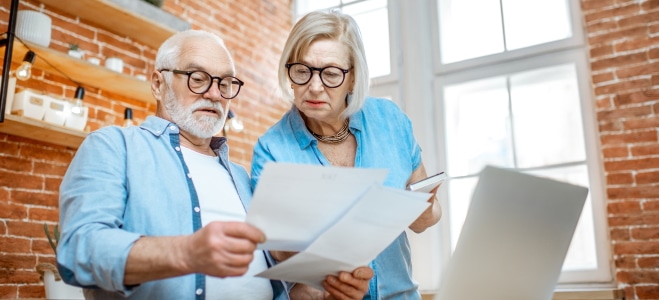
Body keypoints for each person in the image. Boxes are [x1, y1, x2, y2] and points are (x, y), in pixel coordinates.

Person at [57, 29, 372, 300]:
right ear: (157, 83)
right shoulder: (114, 146)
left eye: (225, 83)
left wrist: (324, 291)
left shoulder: (240, 176)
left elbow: (268, 283)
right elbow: (78, 250)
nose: (214, 94)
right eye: (197, 78)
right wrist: (186, 252)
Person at [250, 11, 442, 299]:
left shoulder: (390, 120)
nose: (314, 87)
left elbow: (426, 214)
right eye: (302, 71)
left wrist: (424, 208)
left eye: (330, 74)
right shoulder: (272, 148)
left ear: (353, 78)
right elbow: (274, 251)